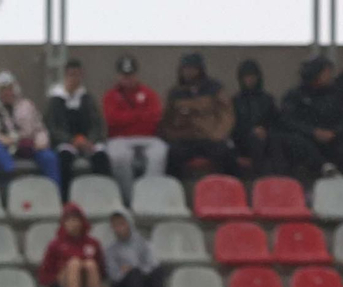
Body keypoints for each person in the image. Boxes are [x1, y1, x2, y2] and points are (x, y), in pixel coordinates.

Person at [158, 52, 235, 180]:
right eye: (185, 69)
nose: (188, 72)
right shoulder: (174, 93)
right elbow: (166, 119)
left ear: (200, 70)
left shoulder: (215, 89)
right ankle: (176, 191)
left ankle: (228, 190)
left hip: (210, 138)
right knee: (171, 154)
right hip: (185, 139)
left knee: (226, 153)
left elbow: (227, 114)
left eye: (192, 68)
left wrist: (218, 134)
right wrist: (173, 134)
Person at [102, 55, 168, 203]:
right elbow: (112, 120)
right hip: (119, 138)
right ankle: (129, 199)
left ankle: (149, 198)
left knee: (159, 153)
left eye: (130, 75)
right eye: (124, 75)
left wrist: (128, 117)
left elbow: (154, 118)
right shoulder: (111, 96)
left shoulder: (149, 94)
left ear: (136, 75)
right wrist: (139, 115)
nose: (128, 79)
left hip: (148, 138)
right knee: (119, 156)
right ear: (118, 76)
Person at [47, 58, 113, 200]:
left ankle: (103, 196)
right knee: (64, 159)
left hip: (88, 141)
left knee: (101, 157)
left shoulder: (87, 99)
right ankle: (65, 198)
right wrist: (71, 140)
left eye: (77, 75)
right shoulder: (56, 100)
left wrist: (90, 140)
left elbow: (97, 124)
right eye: (71, 75)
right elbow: (52, 127)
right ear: (65, 76)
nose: (74, 79)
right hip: (67, 142)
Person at [0, 70, 60, 185]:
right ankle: (12, 172)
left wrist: (41, 143)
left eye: (9, 89)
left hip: (29, 145)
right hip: (7, 147)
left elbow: (38, 128)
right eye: (3, 90)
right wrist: (4, 139)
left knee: (49, 157)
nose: (6, 93)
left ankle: (55, 192)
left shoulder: (27, 106)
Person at [277, 56, 343, 180]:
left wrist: (334, 132)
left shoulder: (336, 94)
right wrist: (313, 132)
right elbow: (287, 121)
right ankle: (324, 166)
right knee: (293, 141)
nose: (329, 75)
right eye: (326, 72)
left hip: (333, 139)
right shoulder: (295, 96)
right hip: (306, 141)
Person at [37, 202, 106, 287]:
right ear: (63, 223)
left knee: (90, 264)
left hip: (85, 282)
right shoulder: (55, 245)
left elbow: (102, 270)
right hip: (63, 284)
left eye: (76, 220)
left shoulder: (93, 243)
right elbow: (45, 273)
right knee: (74, 263)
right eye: (69, 220)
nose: (73, 224)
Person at [105, 209, 166, 287]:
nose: (119, 228)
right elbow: (113, 275)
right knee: (133, 273)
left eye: (121, 224)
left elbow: (152, 263)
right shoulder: (111, 250)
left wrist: (135, 268)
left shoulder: (142, 243)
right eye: (115, 225)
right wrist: (125, 272)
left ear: (129, 224)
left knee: (158, 271)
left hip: (141, 281)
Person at [232, 59, 282, 176]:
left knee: (276, 141)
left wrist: (265, 131)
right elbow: (233, 126)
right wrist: (251, 130)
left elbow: (276, 121)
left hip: (268, 138)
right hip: (243, 141)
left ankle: (280, 177)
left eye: (252, 76)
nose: (250, 80)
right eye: (246, 77)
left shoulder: (267, 99)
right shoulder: (236, 101)